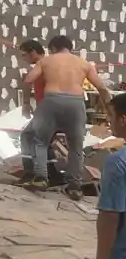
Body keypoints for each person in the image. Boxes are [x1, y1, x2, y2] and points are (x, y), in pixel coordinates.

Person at [23, 35, 111, 198]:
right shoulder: (84, 64)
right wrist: (110, 110)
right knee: (76, 147)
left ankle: (41, 178)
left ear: (54, 48)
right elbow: (102, 88)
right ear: (69, 47)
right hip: (76, 104)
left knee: (40, 142)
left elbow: (29, 80)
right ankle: (74, 187)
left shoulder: (46, 61)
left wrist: (26, 103)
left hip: (51, 101)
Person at [93, 93, 126, 259]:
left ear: (123, 120)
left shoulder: (117, 163)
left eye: (111, 117)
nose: (109, 122)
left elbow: (110, 216)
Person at [16, 40, 46, 180]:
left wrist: (26, 104)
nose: (24, 59)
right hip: (50, 109)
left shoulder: (42, 65)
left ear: (33, 52)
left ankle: (31, 173)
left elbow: (27, 82)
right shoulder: (51, 65)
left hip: (47, 111)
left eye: (24, 55)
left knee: (27, 136)